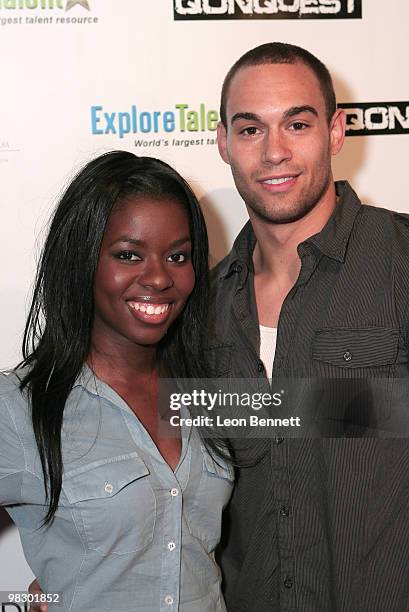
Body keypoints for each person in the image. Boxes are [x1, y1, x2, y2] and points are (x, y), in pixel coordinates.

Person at [208, 43, 409, 611]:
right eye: (250, 130)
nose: (275, 152)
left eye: (297, 124)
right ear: (223, 142)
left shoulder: (400, 262)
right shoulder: (202, 307)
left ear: (337, 131)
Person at [0, 151, 233, 612]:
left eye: (178, 256)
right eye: (129, 254)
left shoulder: (211, 389)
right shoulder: (20, 408)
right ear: (82, 259)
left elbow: (358, 417)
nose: (159, 277)